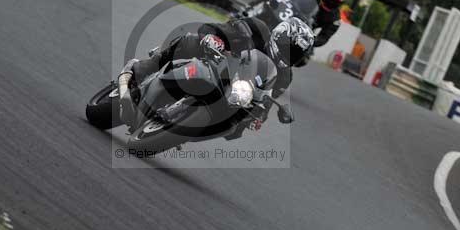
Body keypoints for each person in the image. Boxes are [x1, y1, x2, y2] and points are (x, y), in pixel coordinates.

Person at [117, 16, 314, 137]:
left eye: (296, 54)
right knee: (189, 41)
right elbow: (213, 28)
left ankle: (186, 129)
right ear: (280, 36)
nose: (290, 55)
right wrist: (213, 39)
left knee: (237, 125)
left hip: (234, 92)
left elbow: (268, 98)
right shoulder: (256, 28)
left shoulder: (285, 75)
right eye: (290, 49)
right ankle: (145, 67)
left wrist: (260, 116)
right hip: (213, 61)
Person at [247, 0, 350, 50]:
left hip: (298, 31)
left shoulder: (335, 19)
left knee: (302, 59)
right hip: (286, 10)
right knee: (265, 3)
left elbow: (323, 38)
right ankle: (244, 16)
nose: (331, 1)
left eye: (335, 1)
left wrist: (310, 40)